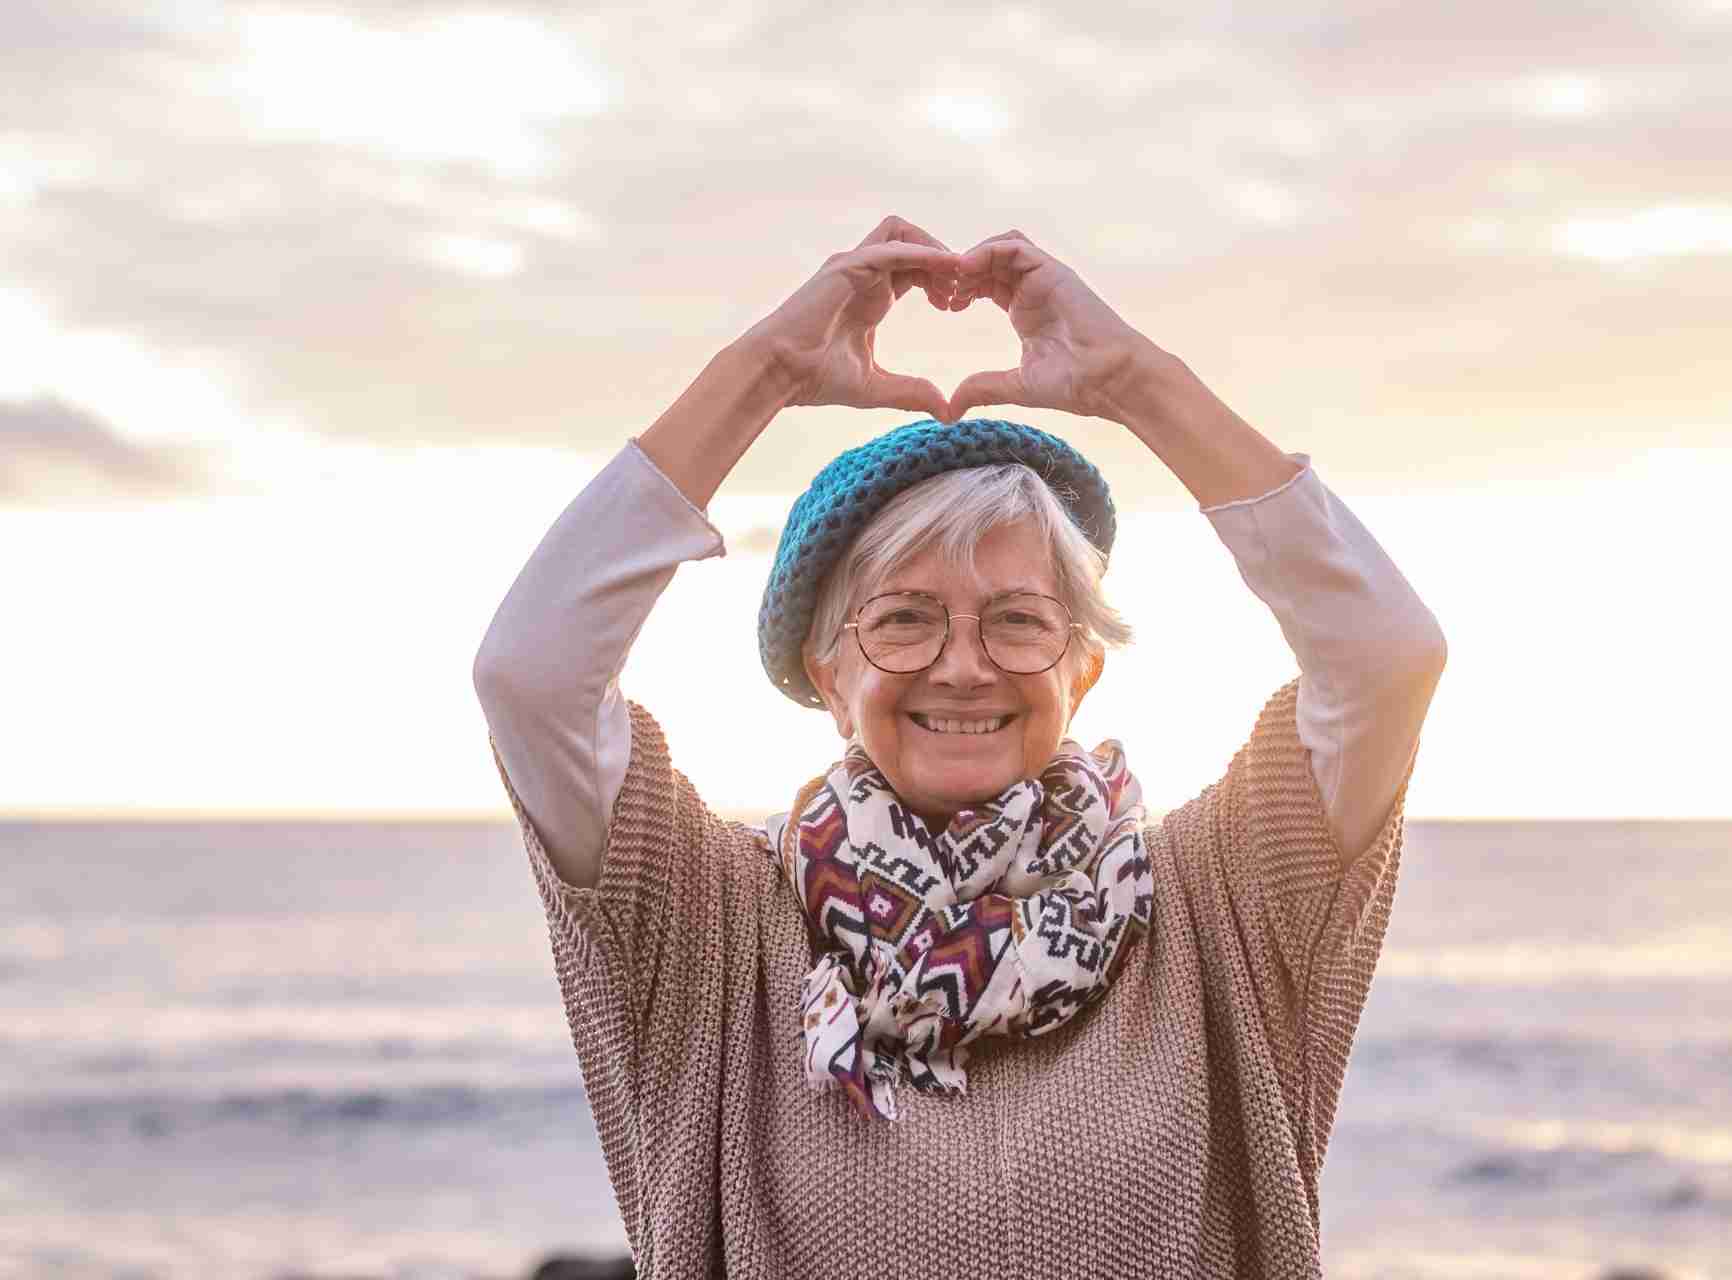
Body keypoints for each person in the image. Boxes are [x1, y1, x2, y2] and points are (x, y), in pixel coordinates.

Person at [473, 216, 1446, 1278]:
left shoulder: (1220, 903)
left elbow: (1386, 657)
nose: (964, 665)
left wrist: (1139, 383)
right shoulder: (711, 927)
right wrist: (763, 374)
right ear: (830, 676)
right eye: (903, 618)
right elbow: (531, 672)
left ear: (1084, 668)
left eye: (1020, 620)